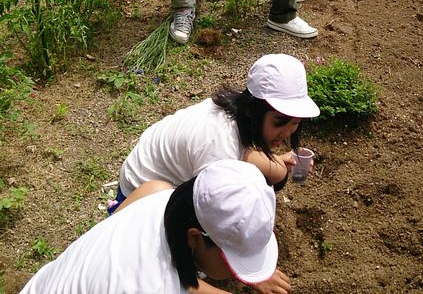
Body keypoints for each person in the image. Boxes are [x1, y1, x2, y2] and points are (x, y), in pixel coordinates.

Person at [20, 159, 290, 294]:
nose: (239, 278)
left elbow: (182, 281)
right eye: (234, 264)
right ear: (195, 238)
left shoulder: (156, 195)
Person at [110, 54, 319, 211]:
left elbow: (256, 161)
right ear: (252, 110)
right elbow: (208, 218)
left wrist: (278, 162)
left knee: (275, 173)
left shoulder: (238, 111)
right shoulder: (218, 146)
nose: (287, 132)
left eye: (296, 123)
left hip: (157, 177)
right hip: (137, 199)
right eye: (280, 122)